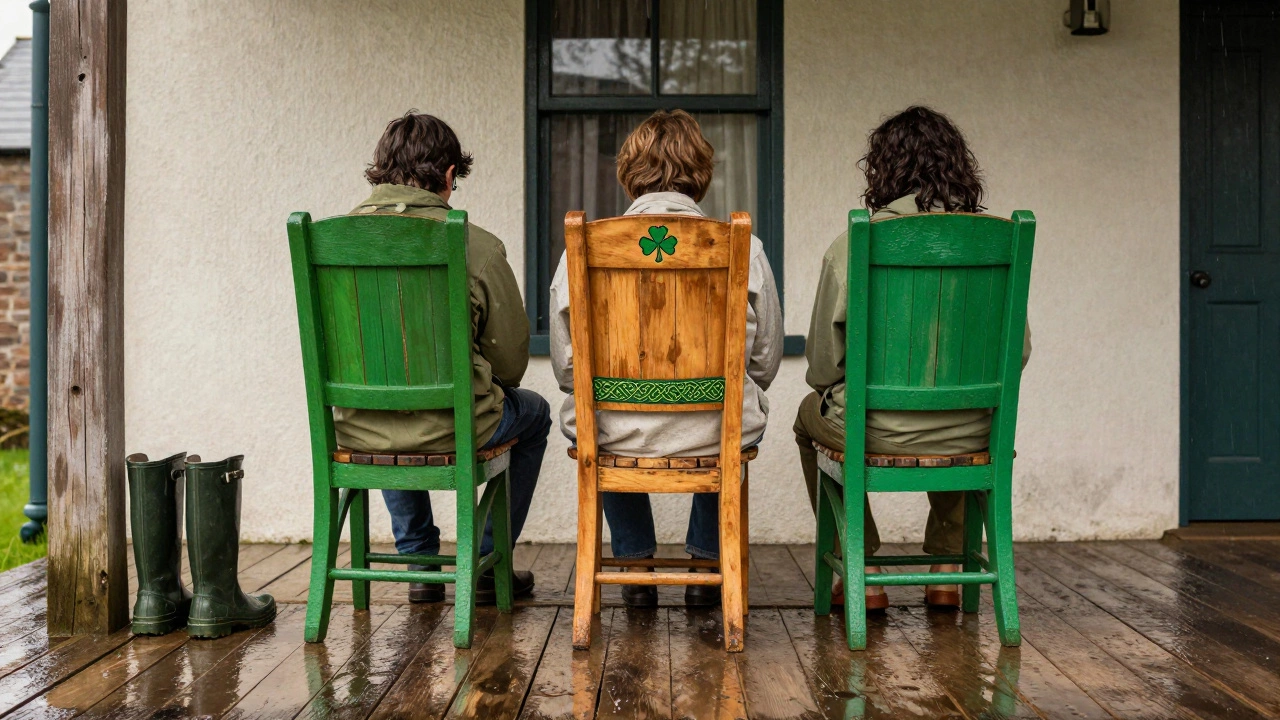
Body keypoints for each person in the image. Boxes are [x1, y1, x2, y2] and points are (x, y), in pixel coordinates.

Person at [795, 106, 1032, 611]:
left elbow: (822, 367)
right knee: (961, 414)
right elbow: (1020, 352)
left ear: (883, 172)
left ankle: (862, 570)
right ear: (958, 168)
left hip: (873, 428)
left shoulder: (855, 243)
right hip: (971, 431)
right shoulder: (997, 242)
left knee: (804, 418)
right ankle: (948, 570)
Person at [549, 109, 784, 608]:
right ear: (701, 172)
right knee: (735, 422)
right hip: (712, 427)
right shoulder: (744, 245)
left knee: (597, 422)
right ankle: (706, 564)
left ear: (629, 172)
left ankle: (635, 565)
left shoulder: (583, 249)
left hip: (613, 428)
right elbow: (763, 362)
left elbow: (568, 371)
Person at [335, 111, 551, 604]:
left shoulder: (334, 239)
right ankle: (483, 560)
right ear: (450, 175)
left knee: (386, 404)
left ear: (381, 169)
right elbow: (512, 365)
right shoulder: (476, 245)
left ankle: (420, 563)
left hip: (357, 425)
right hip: (455, 424)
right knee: (533, 413)